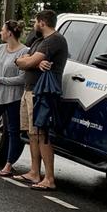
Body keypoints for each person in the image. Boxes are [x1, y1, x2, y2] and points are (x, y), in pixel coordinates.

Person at [13, 10, 69, 191]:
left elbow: (26, 63)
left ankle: (49, 178)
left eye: (36, 22)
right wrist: (34, 61)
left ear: (43, 22)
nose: (34, 25)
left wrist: (31, 61)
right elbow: (19, 60)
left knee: (42, 134)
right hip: (29, 90)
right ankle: (34, 172)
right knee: (32, 133)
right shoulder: (38, 41)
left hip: (42, 93)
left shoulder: (54, 40)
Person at [0, 20, 28, 177]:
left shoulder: (24, 52)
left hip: (14, 98)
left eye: (3, 30)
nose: (1, 32)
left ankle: (9, 164)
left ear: (10, 33)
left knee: (13, 131)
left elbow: (21, 79)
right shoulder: (0, 49)